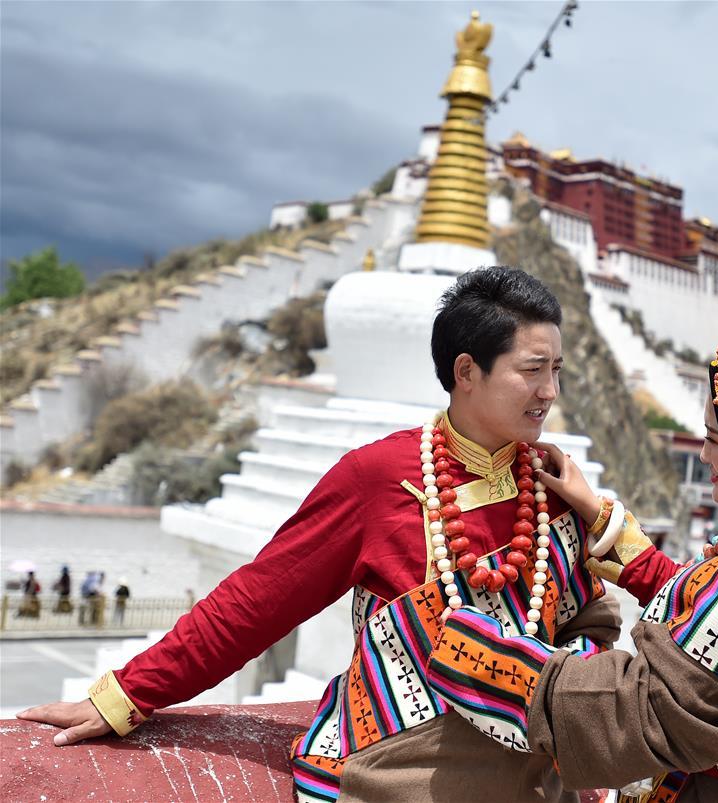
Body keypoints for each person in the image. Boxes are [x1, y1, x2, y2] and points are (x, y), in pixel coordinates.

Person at [18, 267, 621, 803]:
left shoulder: (552, 487)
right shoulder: (377, 478)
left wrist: (558, 702)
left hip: (535, 774)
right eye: (533, 371)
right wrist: (123, 697)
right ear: (467, 371)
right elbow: (258, 601)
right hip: (401, 770)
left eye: (557, 372)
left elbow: (588, 623)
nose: (550, 393)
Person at [426, 343, 718, 803]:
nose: (704, 457)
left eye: (713, 441)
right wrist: (596, 512)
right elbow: (710, 621)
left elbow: (637, 713)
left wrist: (481, 655)